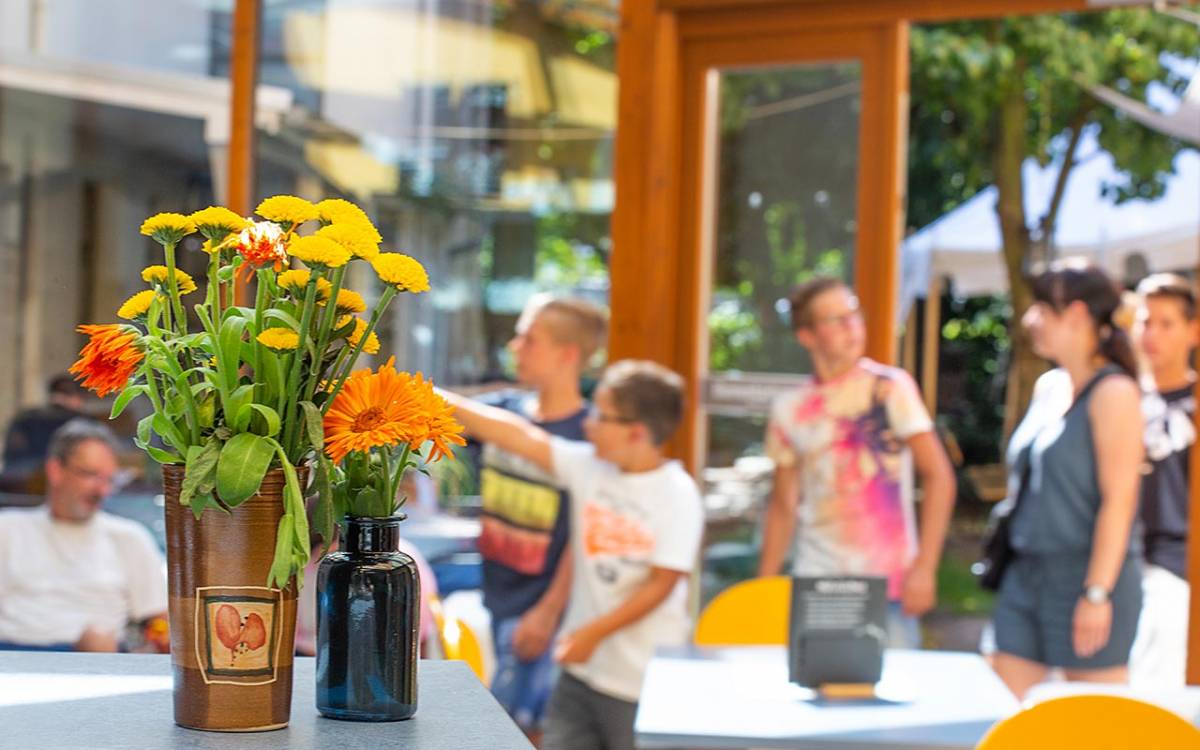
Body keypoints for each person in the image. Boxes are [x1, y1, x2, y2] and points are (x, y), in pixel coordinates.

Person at [441, 360, 703, 750]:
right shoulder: (590, 468)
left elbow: (662, 585)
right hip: (578, 674)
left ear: (637, 432)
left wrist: (592, 634)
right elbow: (518, 436)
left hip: (641, 681)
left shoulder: (677, 493)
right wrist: (425, 395)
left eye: (601, 415)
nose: (588, 423)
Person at [757, 277, 956, 647]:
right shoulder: (789, 409)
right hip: (818, 581)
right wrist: (764, 587)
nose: (852, 326)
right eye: (835, 319)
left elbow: (939, 476)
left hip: (887, 584)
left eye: (853, 314)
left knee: (887, 697)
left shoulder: (889, 388)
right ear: (807, 336)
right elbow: (783, 504)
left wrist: (925, 568)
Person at [991, 259, 1144, 699]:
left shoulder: (1115, 393)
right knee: (1014, 720)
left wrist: (1097, 593)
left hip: (1088, 578)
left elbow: (1120, 501)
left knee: (1092, 723)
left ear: (1077, 314)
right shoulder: (1049, 387)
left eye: (1042, 307)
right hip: (1025, 575)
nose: (1029, 319)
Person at [473, 294, 608, 737]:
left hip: (543, 607)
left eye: (529, 339)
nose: (514, 347)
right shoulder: (506, 410)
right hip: (500, 593)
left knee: (517, 730)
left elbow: (586, 532)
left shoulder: (587, 436)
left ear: (568, 355)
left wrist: (548, 612)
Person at [0, 419, 167, 651]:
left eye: (109, 479)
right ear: (55, 470)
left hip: (100, 658)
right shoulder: (8, 529)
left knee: (98, 642)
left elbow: (161, 627)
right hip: (12, 658)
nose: (103, 490)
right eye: (90, 475)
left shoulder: (130, 538)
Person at [1129, 273, 1196, 688]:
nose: (1152, 334)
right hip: (1119, 563)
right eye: (1144, 320)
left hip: (1177, 567)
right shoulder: (1120, 395)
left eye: (1166, 323)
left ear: (1193, 331)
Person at [1, 373, 92, 493]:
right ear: (77, 397)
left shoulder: (24, 417)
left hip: (15, 486)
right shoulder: (84, 422)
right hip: (61, 489)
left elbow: (10, 455)